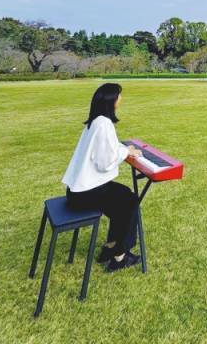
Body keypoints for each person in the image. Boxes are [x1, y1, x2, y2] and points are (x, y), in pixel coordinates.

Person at [62, 82, 143, 272]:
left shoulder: (95, 122)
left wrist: (124, 150)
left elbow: (108, 149)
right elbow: (105, 162)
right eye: (119, 96)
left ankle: (110, 248)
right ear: (111, 101)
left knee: (123, 197)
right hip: (86, 194)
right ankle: (119, 256)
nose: (121, 99)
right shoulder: (104, 124)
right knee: (130, 201)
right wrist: (125, 153)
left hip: (76, 191)